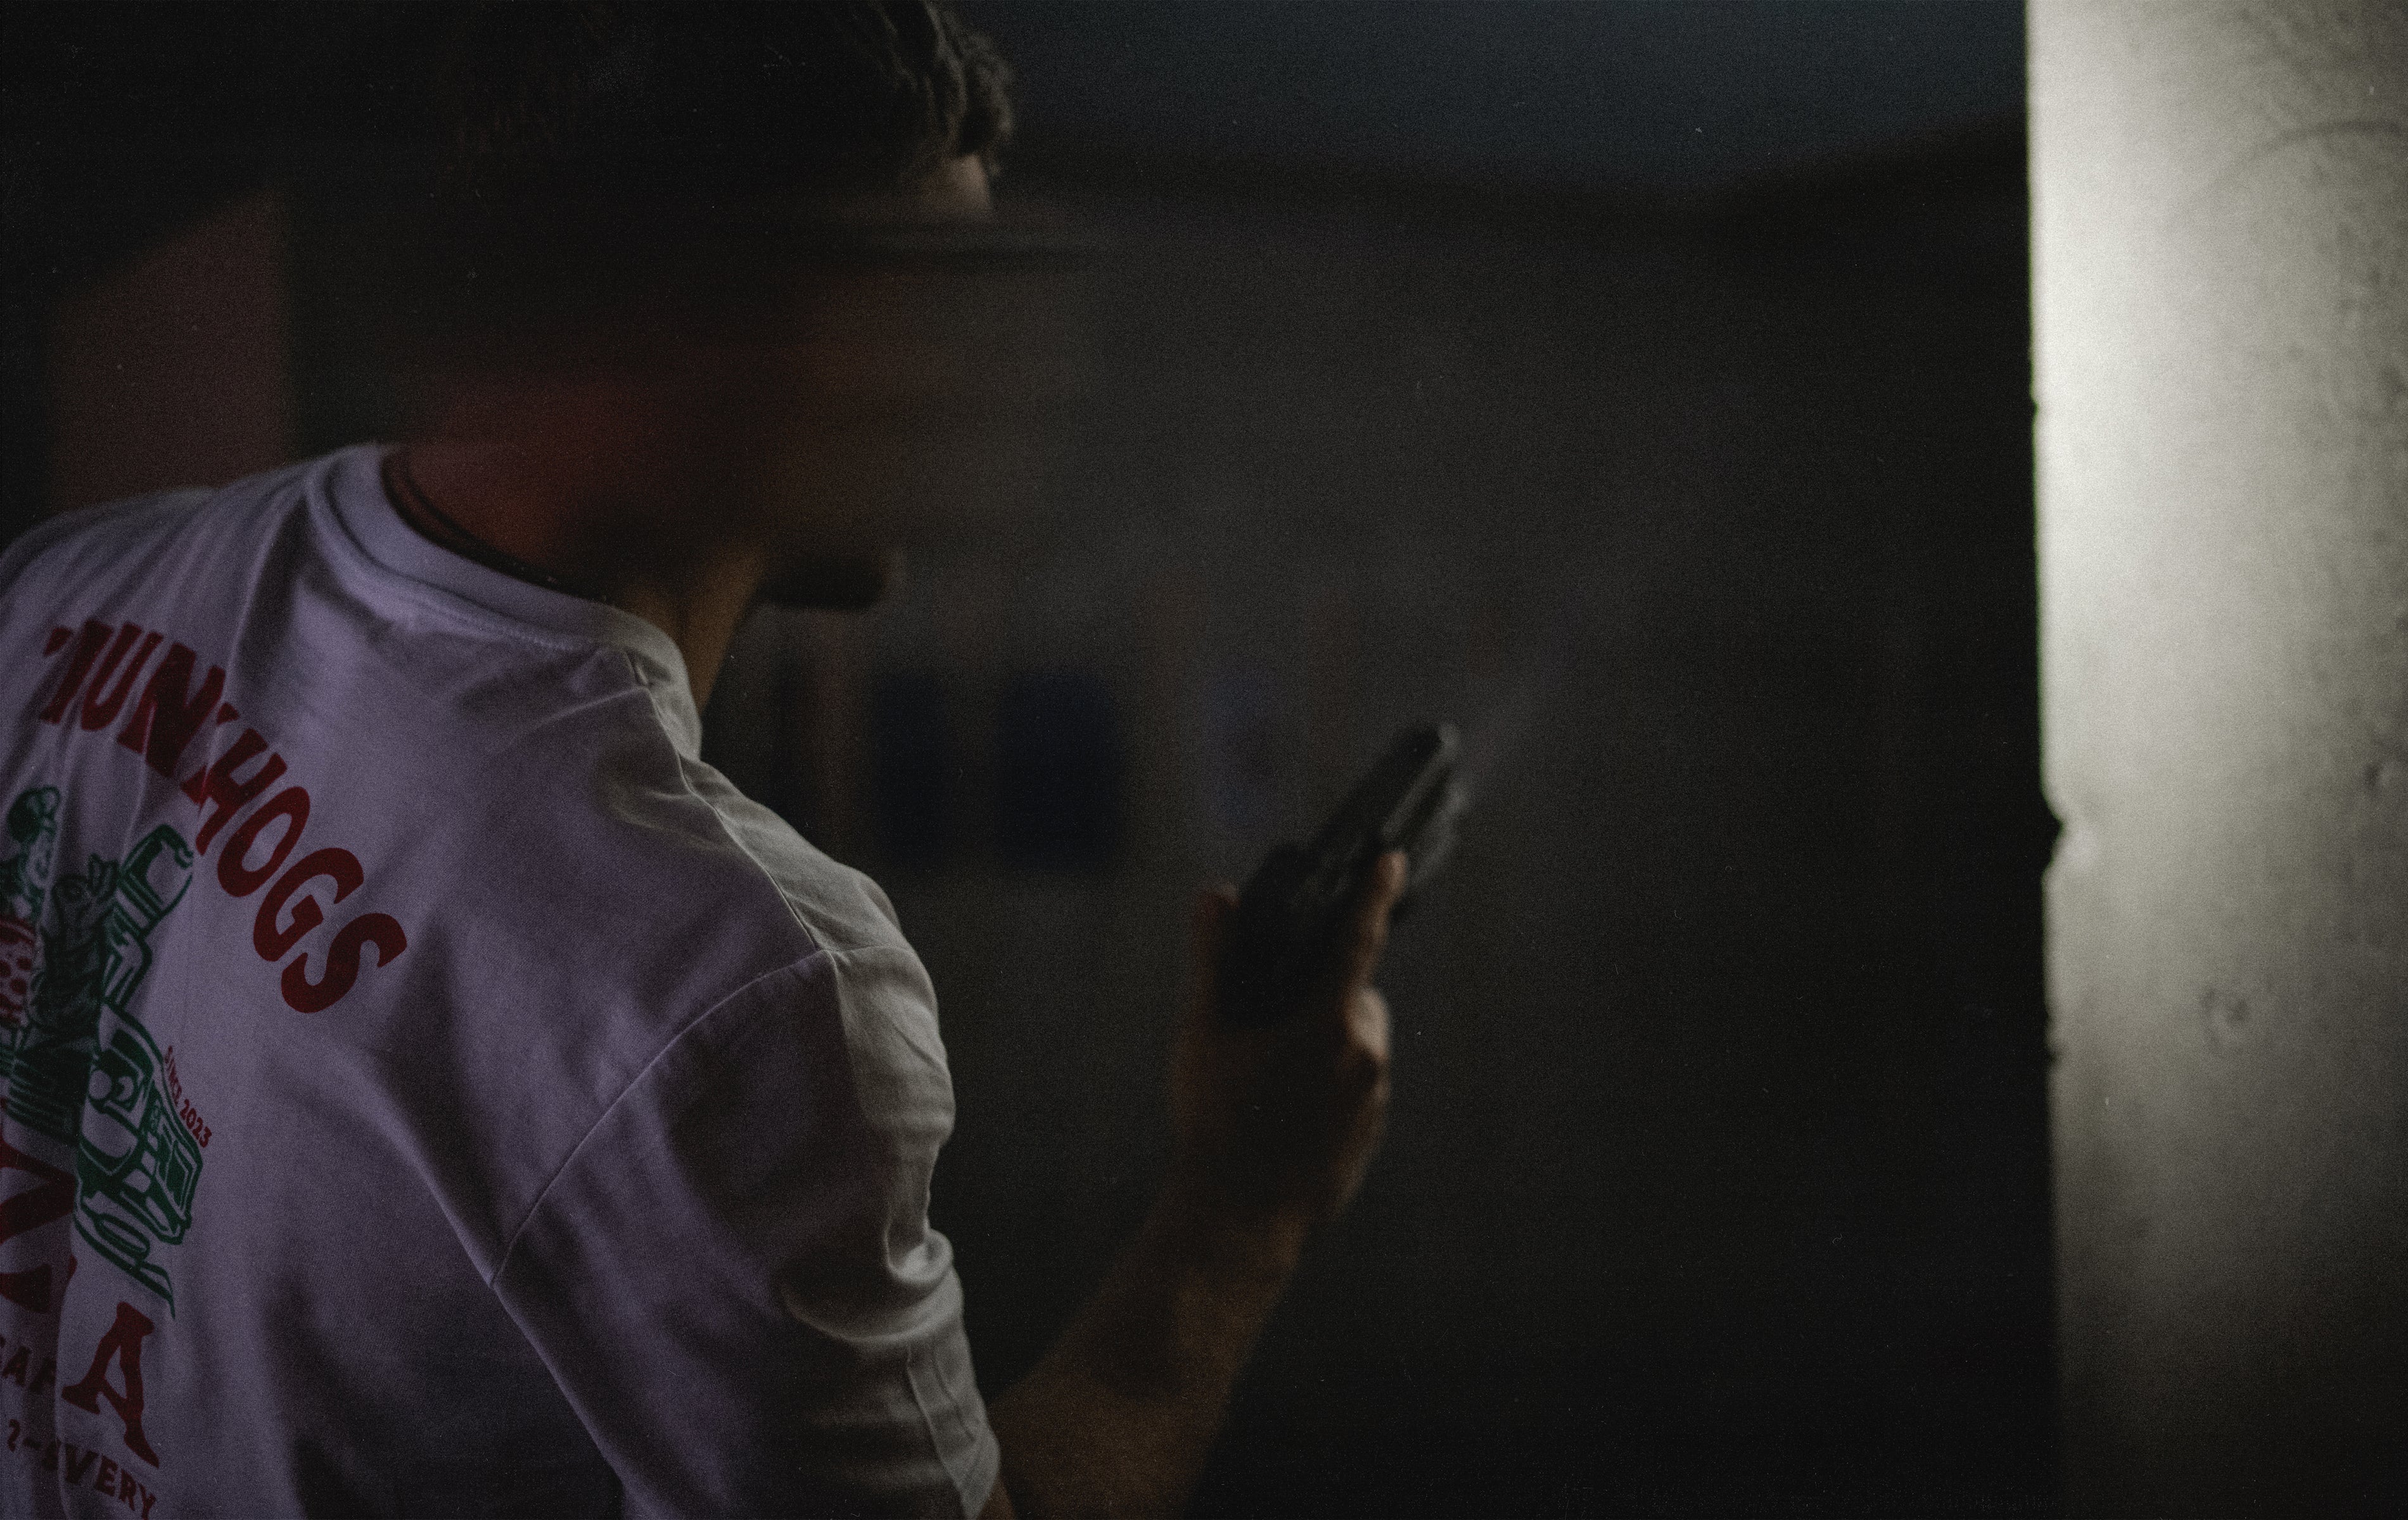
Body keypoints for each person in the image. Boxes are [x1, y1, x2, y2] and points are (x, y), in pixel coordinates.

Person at [0, 4, 1400, 1516]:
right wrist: (1240, 1213)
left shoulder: (74, 584)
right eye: (935, 288)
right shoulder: (739, 990)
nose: (1001, 374)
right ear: (717, 305)